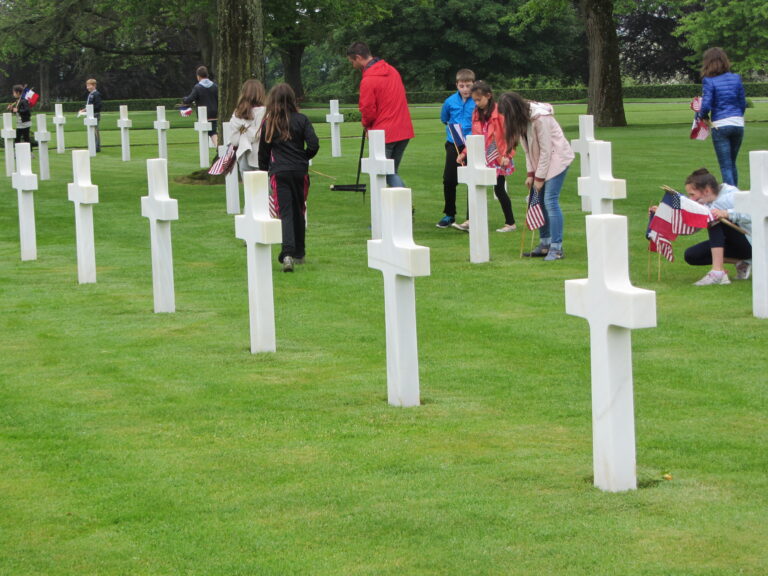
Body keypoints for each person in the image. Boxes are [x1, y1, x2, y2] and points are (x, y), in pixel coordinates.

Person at [498, 91, 574, 261]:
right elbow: (528, 151)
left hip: (557, 159)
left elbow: (547, 150)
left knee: (550, 200)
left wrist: (539, 179)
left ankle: (557, 247)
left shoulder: (540, 118)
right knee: (538, 202)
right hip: (542, 161)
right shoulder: (522, 121)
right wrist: (531, 174)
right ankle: (544, 244)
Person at [258, 83, 319, 273]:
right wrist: (303, 157)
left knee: (285, 212)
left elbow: (263, 152)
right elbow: (314, 144)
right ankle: (299, 252)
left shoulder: (269, 122)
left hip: (280, 172)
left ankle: (288, 253)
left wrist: (264, 171)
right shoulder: (302, 119)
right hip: (299, 172)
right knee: (299, 209)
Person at [346, 41, 414, 188]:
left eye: (352, 61)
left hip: (385, 133)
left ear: (358, 57)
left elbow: (367, 109)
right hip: (404, 129)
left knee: (386, 173)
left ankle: (404, 205)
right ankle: (398, 205)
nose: (352, 65)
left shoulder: (368, 80)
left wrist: (365, 124)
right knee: (392, 171)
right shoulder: (392, 71)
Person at [454, 81, 516, 233]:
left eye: (478, 99)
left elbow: (509, 134)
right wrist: (464, 153)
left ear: (488, 96)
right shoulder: (476, 113)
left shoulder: (499, 112)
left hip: (498, 155)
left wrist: (507, 155)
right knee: (474, 185)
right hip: (482, 155)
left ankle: (510, 223)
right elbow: (475, 135)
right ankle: (471, 220)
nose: (476, 103)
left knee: (499, 188)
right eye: (474, 100)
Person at [682, 168, 752, 286]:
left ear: (707, 190)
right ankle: (742, 263)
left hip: (751, 242)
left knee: (714, 219)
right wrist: (662, 214)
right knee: (691, 255)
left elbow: (752, 213)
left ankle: (717, 273)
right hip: (734, 244)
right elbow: (694, 228)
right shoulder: (705, 201)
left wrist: (727, 213)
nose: (691, 199)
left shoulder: (731, 195)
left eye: (692, 194)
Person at [698, 47, 746, 187]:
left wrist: (702, 115)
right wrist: (737, 115)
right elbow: (742, 102)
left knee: (725, 165)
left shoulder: (709, 81)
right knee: (732, 162)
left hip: (721, 124)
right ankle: (736, 195)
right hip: (737, 123)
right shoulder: (736, 78)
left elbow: (706, 104)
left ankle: (730, 199)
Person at [436, 68, 475, 228]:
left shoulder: (477, 101)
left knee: (473, 179)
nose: (465, 89)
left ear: (474, 84)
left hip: (473, 143)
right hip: (453, 142)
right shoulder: (450, 101)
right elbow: (444, 119)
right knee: (449, 180)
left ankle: (471, 217)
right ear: (457, 85)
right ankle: (449, 214)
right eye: (462, 86)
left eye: (468, 85)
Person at [227, 79, 266, 175]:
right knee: (265, 189)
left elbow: (235, 140)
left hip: (244, 157)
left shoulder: (237, 114)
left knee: (249, 189)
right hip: (262, 157)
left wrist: (243, 130)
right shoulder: (267, 112)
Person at [183, 65, 219, 147]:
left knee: (203, 133)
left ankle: (204, 155)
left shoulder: (198, 87)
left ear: (198, 76)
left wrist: (184, 99)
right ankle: (219, 151)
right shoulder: (214, 86)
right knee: (213, 132)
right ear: (207, 75)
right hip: (214, 114)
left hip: (203, 115)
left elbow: (189, 99)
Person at [79, 78, 102, 152]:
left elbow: (98, 106)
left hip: (95, 114)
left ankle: (97, 147)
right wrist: (84, 110)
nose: (87, 87)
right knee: (91, 131)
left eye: (89, 85)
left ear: (94, 85)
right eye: (87, 85)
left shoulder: (97, 94)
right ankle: (93, 145)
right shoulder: (91, 94)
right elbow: (89, 104)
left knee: (95, 131)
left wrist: (89, 109)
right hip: (90, 114)